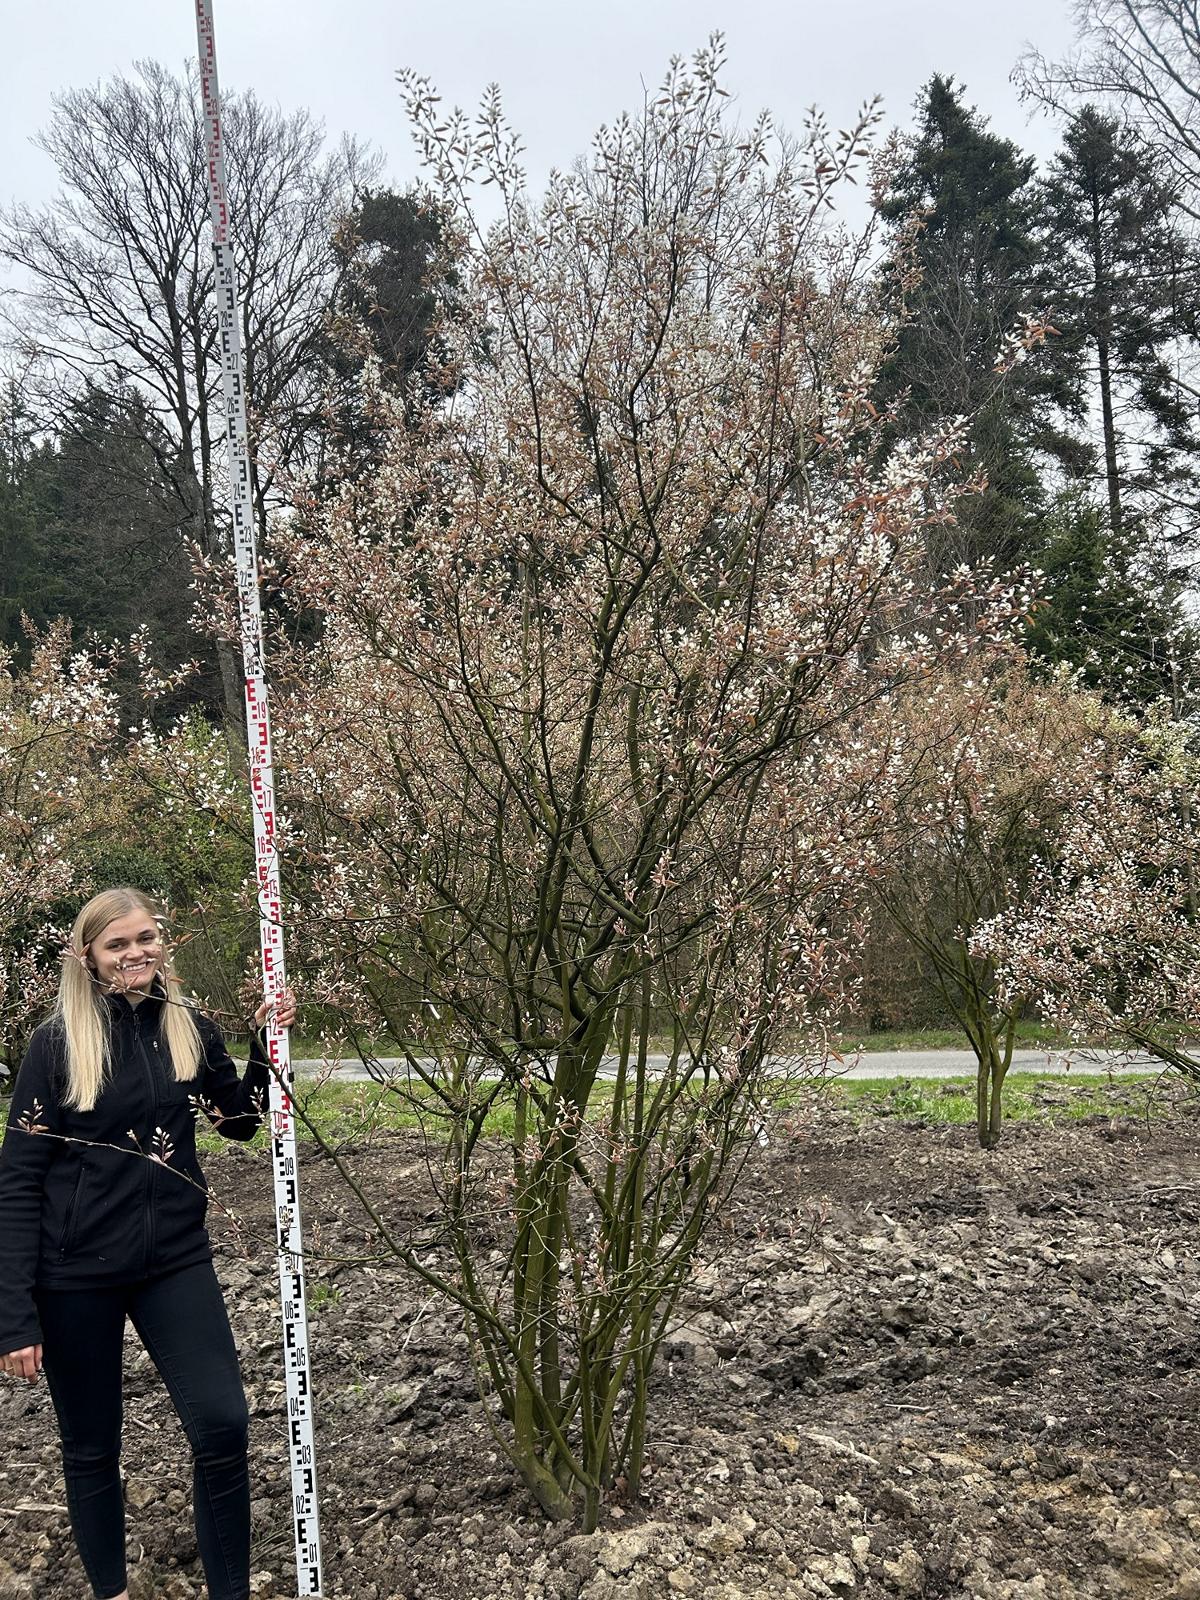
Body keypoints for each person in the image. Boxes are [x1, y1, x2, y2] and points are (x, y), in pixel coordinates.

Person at [0, 886, 294, 1600]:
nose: (136, 953)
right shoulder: (56, 1043)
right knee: (92, 1447)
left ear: (162, 941)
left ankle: (231, 1592)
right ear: (89, 956)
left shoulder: (188, 1027)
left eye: (145, 938)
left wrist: (265, 1044)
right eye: (117, 944)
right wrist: (13, 1316)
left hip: (173, 1259)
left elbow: (238, 1122)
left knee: (223, 1426)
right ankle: (115, 1592)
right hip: (72, 1274)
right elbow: (17, 1182)